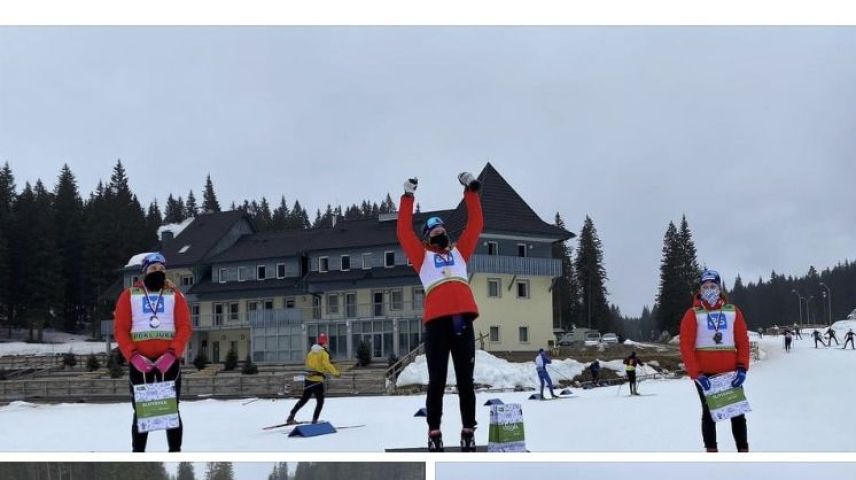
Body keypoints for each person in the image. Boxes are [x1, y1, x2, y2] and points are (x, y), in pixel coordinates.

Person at [397, 172, 483, 452]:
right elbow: (403, 232)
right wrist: (408, 197)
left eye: (441, 229)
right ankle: (434, 433)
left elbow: (476, 224)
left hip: (462, 322)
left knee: (465, 381)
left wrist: (470, 192)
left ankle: (468, 430)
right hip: (436, 325)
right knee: (437, 381)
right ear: (426, 239)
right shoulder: (422, 258)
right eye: (433, 231)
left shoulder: (460, 254)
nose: (438, 232)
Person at [113, 252, 192, 452]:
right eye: (154, 269)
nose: (158, 272)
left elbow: (184, 327)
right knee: (141, 410)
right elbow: (120, 329)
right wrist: (133, 356)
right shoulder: (129, 295)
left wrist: (173, 353)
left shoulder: (176, 295)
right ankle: (138, 453)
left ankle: (175, 452)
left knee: (171, 410)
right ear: (144, 271)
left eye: (162, 270)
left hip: (168, 362)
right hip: (141, 362)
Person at [679, 269, 750, 453]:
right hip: (706, 375)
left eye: (713, 286)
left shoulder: (733, 311)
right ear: (700, 290)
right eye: (705, 286)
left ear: (719, 288)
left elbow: (742, 340)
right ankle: (712, 453)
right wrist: (696, 373)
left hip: (731, 373)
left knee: (737, 413)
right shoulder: (693, 313)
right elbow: (686, 345)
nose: (709, 289)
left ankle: (743, 451)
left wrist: (742, 368)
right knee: (709, 413)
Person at [286, 332, 341, 425]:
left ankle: (291, 415)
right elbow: (327, 365)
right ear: (324, 343)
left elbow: (309, 365)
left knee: (304, 399)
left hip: (308, 380)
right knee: (320, 402)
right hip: (318, 382)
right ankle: (314, 420)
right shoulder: (323, 353)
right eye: (326, 343)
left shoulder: (310, 353)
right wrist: (336, 373)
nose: (327, 345)